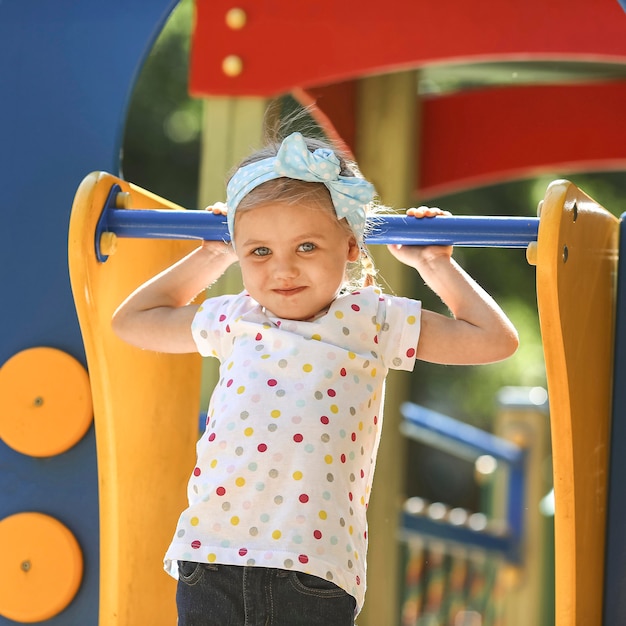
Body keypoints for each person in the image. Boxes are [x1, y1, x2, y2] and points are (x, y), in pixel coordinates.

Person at [112, 131, 519, 626]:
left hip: (310, 566)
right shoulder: (234, 317)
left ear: (351, 244)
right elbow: (132, 321)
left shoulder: (371, 320)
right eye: (258, 251)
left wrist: (435, 265)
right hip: (213, 553)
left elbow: (493, 340)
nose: (282, 269)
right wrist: (211, 255)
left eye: (306, 246)